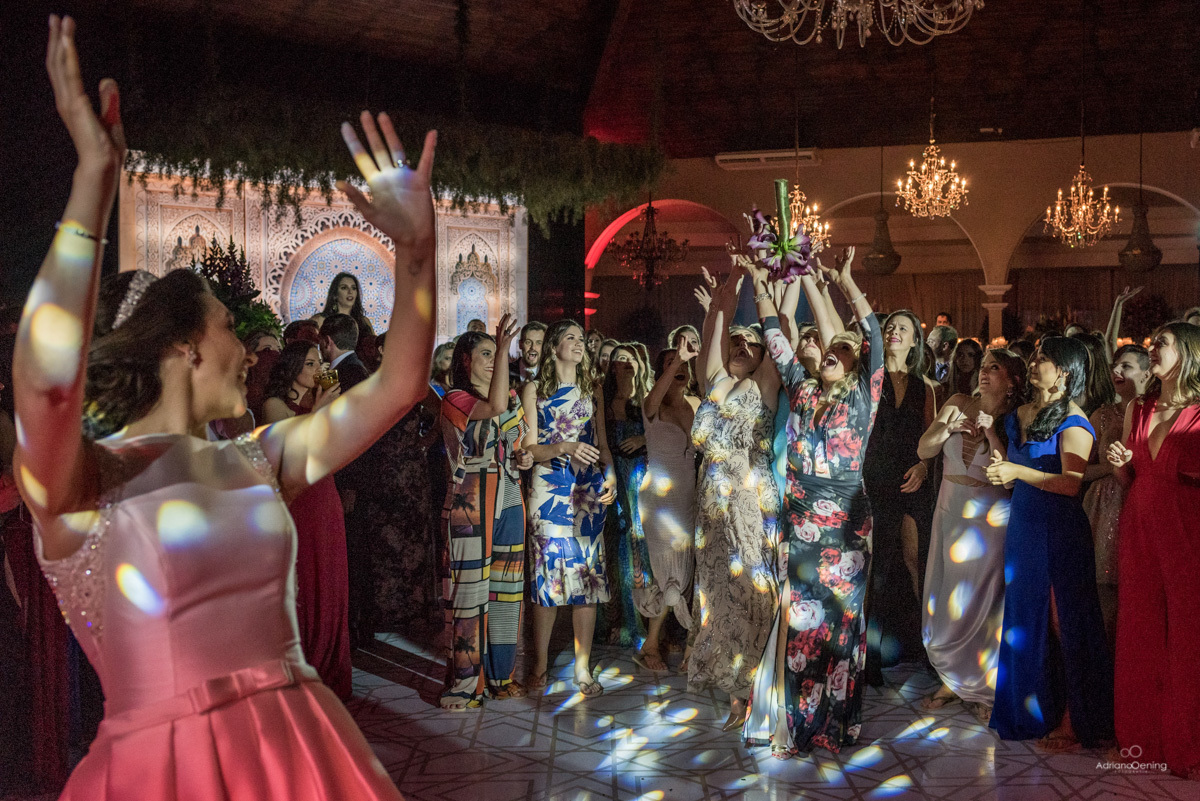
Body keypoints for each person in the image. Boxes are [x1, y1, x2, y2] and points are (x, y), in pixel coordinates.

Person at [15, 20, 436, 797]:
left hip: (303, 754)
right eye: (228, 327)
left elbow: (401, 384)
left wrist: (417, 253)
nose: (247, 348)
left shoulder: (260, 457)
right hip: (168, 771)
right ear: (182, 345)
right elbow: (44, 386)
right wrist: (94, 183)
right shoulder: (85, 482)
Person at [746, 247, 884, 757]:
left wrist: (844, 281)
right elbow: (774, 337)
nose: (832, 351)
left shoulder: (864, 397)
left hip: (847, 529)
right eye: (830, 347)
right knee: (801, 624)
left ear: (856, 364)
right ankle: (795, 725)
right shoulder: (801, 391)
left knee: (840, 626)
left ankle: (836, 723)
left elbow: (872, 336)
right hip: (800, 523)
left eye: (844, 350)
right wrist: (763, 282)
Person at [985, 337, 1114, 752]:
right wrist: (996, 452)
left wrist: (1017, 472)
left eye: (1044, 358)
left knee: (1063, 622)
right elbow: (1011, 472)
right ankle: (1030, 712)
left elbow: (1070, 484)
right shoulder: (1020, 414)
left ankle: (1076, 720)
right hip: (1023, 526)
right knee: (1025, 620)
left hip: (1058, 530)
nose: (1034, 361)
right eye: (1036, 355)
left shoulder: (1074, 421)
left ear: (1065, 372)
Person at [690, 259, 781, 734]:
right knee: (718, 598)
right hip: (711, 508)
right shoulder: (716, 382)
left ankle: (756, 690)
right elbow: (715, 331)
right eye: (737, 341)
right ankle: (733, 692)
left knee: (752, 594)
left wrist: (760, 282)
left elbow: (777, 335)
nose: (742, 346)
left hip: (749, 502)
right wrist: (729, 288)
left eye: (753, 343)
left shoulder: (763, 384)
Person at [1106, 322, 1200, 780]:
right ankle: (1142, 739)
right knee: (1140, 630)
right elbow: (1130, 480)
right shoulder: (1138, 408)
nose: (1153, 348)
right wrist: (1120, 466)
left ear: (1189, 352)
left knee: (1188, 632)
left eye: (1162, 342)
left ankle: (1187, 743)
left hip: (1187, 527)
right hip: (1140, 525)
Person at [917, 348, 1025, 723]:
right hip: (949, 510)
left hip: (990, 517)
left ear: (1012, 382)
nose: (984, 372)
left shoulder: (1015, 419)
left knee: (984, 601)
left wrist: (991, 432)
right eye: (983, 366)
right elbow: (924, 448)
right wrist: (949, 428)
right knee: (947, 594)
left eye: (994, 368)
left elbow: (1009, 478)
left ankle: (983, 686)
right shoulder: (958, 402)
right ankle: (951, 680)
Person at [438, 316, 531, 708]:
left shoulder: (510, 398)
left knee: (507, 591)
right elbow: (492, 407)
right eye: (487, 354)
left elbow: (519, 444)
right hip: (471, 501)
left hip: (509, 496)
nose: (494, 361)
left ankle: (500, 676)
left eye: (497, 354)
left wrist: (525, 457)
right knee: (470, 593)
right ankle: (465, 684)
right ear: (466, 361)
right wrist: (506, 347)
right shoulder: (456, 399)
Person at [521, 320, 616, 698]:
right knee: (547, 578)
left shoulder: (592, 387)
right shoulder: (535, 389)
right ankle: (540, 663)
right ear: (554, 347)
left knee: (586, 582)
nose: (579, 344)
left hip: (587, 492)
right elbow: (529, 449)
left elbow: (602, 443)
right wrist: (564, 446)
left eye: (581, 339)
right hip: (549, 489)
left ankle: (582, 667)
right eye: (570, 338)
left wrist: (611, 475)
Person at [261, 342, 350, 700]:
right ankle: (302, 667)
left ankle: (330, 667)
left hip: (324, 491)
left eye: (319, 363)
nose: (317, 369)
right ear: (294, 367)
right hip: (297, 497)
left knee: (329, 576)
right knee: (304, 576)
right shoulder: (274, 404)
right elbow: (291, 451)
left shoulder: (320, 399)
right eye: (310, 363)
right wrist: (318, 410)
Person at [862, 310, 937, 683]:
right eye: (889, 326)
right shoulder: (870, 379)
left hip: (911, 480)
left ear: (915, 341)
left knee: (914, 562)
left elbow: (932, 437)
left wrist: (924, 467)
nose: (893, 331)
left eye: (902, 328)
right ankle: (870, 657)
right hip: (874, 479)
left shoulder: (926, 387)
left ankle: (930, 651)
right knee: (876, 568)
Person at [633, 343, 702, 669]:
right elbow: (650, 401)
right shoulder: (653, 405)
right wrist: (678, 362)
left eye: (684, 363)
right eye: (671, 363)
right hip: (660, 500)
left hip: (690, 495)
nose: (680, 367)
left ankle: (686, 645)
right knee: (666, 572)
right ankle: (650, 647)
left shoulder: (697, 403)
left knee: (688, 570)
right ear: (662, 371)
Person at [1081, 344, 1149, 647]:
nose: (1117, 372)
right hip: (1104, 504)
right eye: (1115, 366)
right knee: (1104, 590)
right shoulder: (1103, 414)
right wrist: (1111, 468)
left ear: (1146, 373)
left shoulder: (1154, 411)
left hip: (1141, 503)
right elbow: (1078, 469)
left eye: (1127, 367)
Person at [597, 344, 650, 650]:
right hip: (611, 477)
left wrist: (644, 438)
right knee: (614, 551)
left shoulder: (645, 400)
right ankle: (614, 621)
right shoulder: (602, 402)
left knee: (638, 549)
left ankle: (641, 620)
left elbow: (666, 434)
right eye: (620, 360)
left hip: (640, 479)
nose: (626, 364)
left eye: (631, 360)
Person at [311, 271, 375, 340]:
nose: (350, 292)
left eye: (353, 288)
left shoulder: (365, 322)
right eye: (344, 288)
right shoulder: (320, 320)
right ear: (335, 294)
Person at [318, 314, 370, 391]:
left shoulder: (350, 375)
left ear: (327, 341)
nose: (318, 346)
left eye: (319, 340)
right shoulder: (354, 369)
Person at [510, 320, 545, 387]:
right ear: (520, 344)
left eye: (538, 343)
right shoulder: (507, 371)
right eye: (528, 342)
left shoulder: (550, 373)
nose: (533, 347)